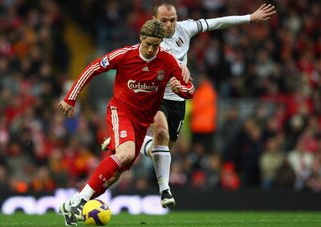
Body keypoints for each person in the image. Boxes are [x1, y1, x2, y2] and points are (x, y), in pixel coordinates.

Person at [103, 2, 276, 208]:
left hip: (179, 99)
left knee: (162, 149)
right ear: (153, 20)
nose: (169, 25)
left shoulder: (185, 28)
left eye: (173, 20)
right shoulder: (150, 42)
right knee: (161, 132)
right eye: (164, 20)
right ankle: (164, 189)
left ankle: (136, 143)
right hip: (155, 97)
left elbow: (216, 23)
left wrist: (249, 17)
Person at [58, 19, 194, 226]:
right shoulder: (124, 55)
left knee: (114, 175)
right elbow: (92, 68)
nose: (150, 49)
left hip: (142, 122)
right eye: (147, 44)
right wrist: (71, 98)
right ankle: (79, 201)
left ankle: (71, 204)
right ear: (141, 38)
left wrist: (180, 90)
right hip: (120, 111)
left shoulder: (167, 61)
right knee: (127, 153)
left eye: (156, 46)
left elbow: (189, 89)